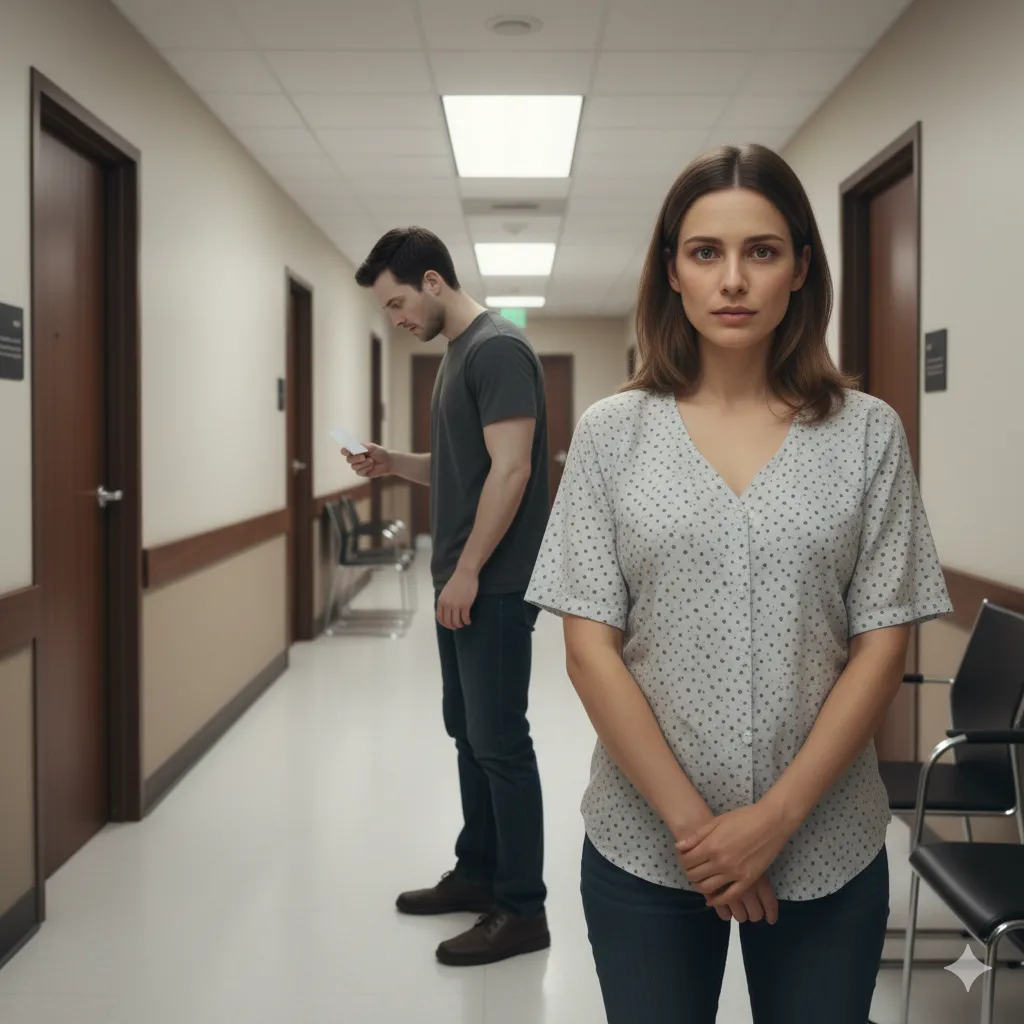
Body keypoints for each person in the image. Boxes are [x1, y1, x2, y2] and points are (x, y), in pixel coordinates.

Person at [525, 145, 953, 1023]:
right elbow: (589, 652)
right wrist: (702, 837)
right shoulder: (613, 436)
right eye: (705, 252)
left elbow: (882, 646)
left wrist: (773, 823)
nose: (733, 279)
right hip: (647, 843)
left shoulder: (867, 434)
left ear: (800, 268)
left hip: (824, 843)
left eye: (761, 251)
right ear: (671, 273)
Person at [347, 226, 551, 967]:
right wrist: (392, 462)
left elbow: (512, 471)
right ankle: (478, 873)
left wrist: (465, 569)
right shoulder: (457, 357)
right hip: (463, 580)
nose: (397, 318)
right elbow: (467, 466)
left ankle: (522, 908)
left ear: (433, 282)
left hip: (491, 585)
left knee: (501, 743)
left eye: (398, 302)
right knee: (468, 732)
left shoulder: (496, 349)